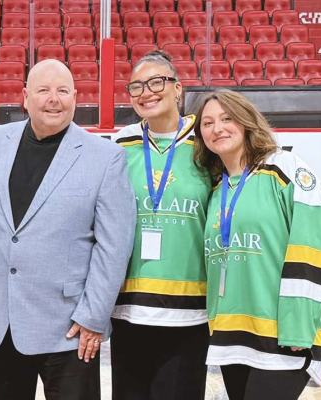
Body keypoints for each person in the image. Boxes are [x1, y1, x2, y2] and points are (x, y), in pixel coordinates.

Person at [0, 59, 137, 400]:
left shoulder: (105, 156)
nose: (53, 99)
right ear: (25, 97)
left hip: (70, 328)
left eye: (63, 91)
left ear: (75, 97)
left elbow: (114, 246)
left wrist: (93, 317)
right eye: (43, 90)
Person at [193, 89, 321, 400]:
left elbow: (313, 250)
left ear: (246, 121)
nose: (217, 129)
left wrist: (299, 324)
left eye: (227, 119)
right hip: (231, 336)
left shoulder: (284, 168)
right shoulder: (215, 187)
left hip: (283, 335)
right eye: (207, 123)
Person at [110, 50, 212, 400]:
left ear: (177, 88)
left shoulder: (206, 142)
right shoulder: (121, 144)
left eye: (156, 82)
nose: (146, 93)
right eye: (136, 86)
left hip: (190, 311)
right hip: (129, 309)